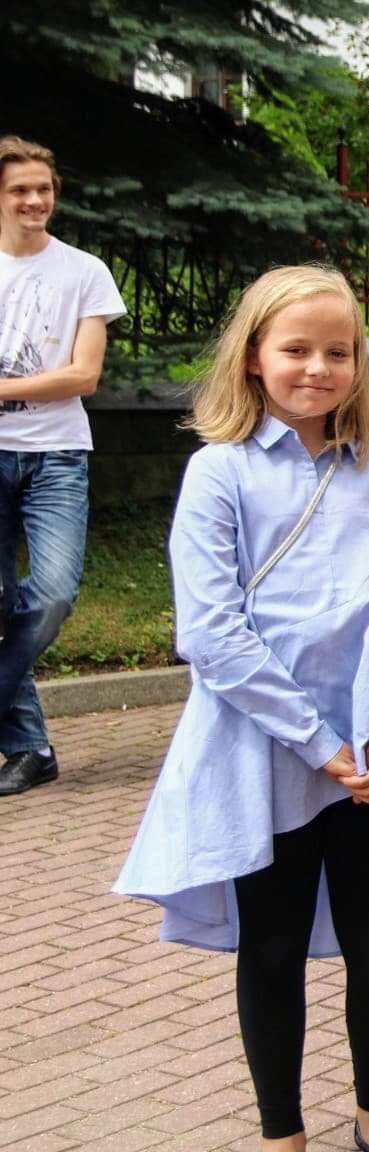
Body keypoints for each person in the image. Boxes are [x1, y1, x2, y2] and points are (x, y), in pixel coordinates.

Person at [112, 265, 369, 1152]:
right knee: (273, 943)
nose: (318, 368)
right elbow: (211, 631)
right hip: (268, 750)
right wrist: (317, 741)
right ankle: (280, 1131)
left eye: (339, 351)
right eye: (297, 349)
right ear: (255, 356)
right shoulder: (218, 474)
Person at [0, 137, 125, 796]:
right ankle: (31, 749)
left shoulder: (85, 271)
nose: (35, 200)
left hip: (56, 455)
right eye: (20, 190)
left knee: (52, 595)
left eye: (43, 189)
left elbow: (84, 375)